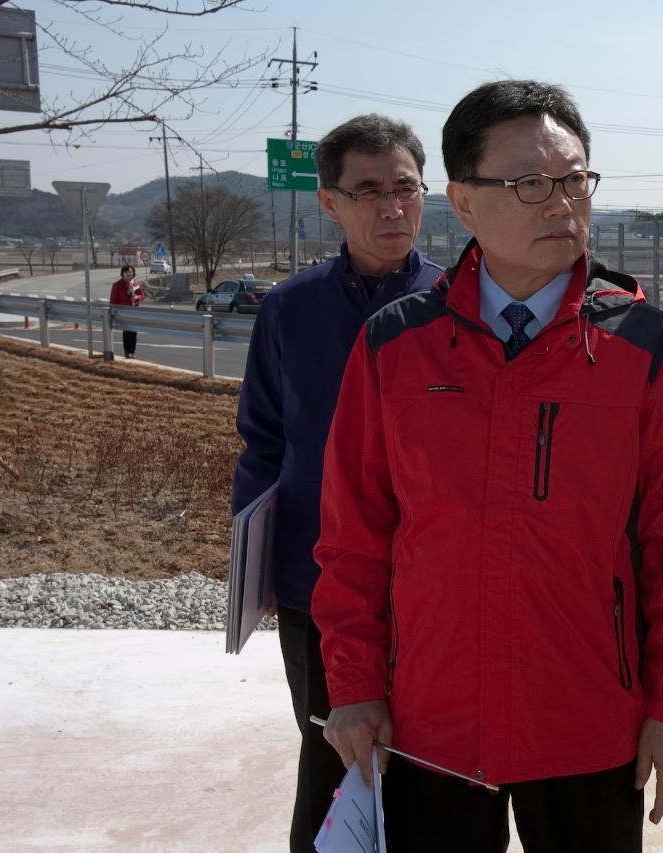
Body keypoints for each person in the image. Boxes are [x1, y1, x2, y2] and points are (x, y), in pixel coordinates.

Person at [311, 80, 663, 853]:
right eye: (531, 184)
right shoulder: (393, 346)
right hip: (430, 722)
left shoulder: (647, 349)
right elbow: (354, 539)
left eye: (576, 180)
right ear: (464, 204)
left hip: (588, 722)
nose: (562, 204)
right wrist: (355, 683)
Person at [231, 113, 443, 853]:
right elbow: (262, 443)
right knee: (333, 753)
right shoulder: (289, 308)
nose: (392, 207)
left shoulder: (459, 308)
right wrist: (254, 565)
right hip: (314, 584)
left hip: (431, 585)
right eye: (368, 191)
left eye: (406, 188)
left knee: (430, 766)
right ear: (329, 202)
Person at [108, 265, 146, 358]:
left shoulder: (135, 284)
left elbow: (142, 296)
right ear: (123, 273)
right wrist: (113, 312)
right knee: (127, 332)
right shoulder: (117, 285)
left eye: (131, 272)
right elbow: (113, 300)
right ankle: (127, 352)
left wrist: (137, 297)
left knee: (134, 333)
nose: (129, 274)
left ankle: (132, 352)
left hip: (134, 311)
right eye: (127, 272)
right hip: (123, 312)